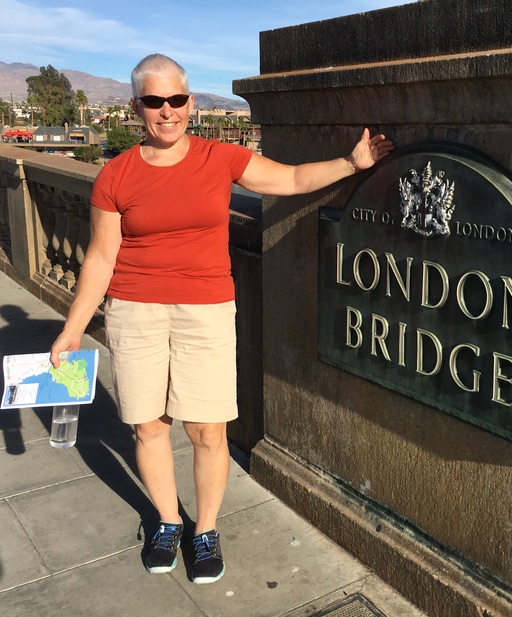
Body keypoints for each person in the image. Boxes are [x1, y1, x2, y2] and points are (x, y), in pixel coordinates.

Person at [49, 53, 394, 584]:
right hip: (134, 309)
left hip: (206, 310)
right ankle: (167, 521)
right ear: (135, 106)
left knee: (208, 429)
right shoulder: (115, 175)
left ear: (190, 99)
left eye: (177, 99)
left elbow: (293, 179)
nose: (167, 112)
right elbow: (99, 257)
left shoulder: (220, 157)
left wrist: (352, 164)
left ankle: (204, 529)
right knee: (148, 425)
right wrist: (74, 328)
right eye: (154, 101)